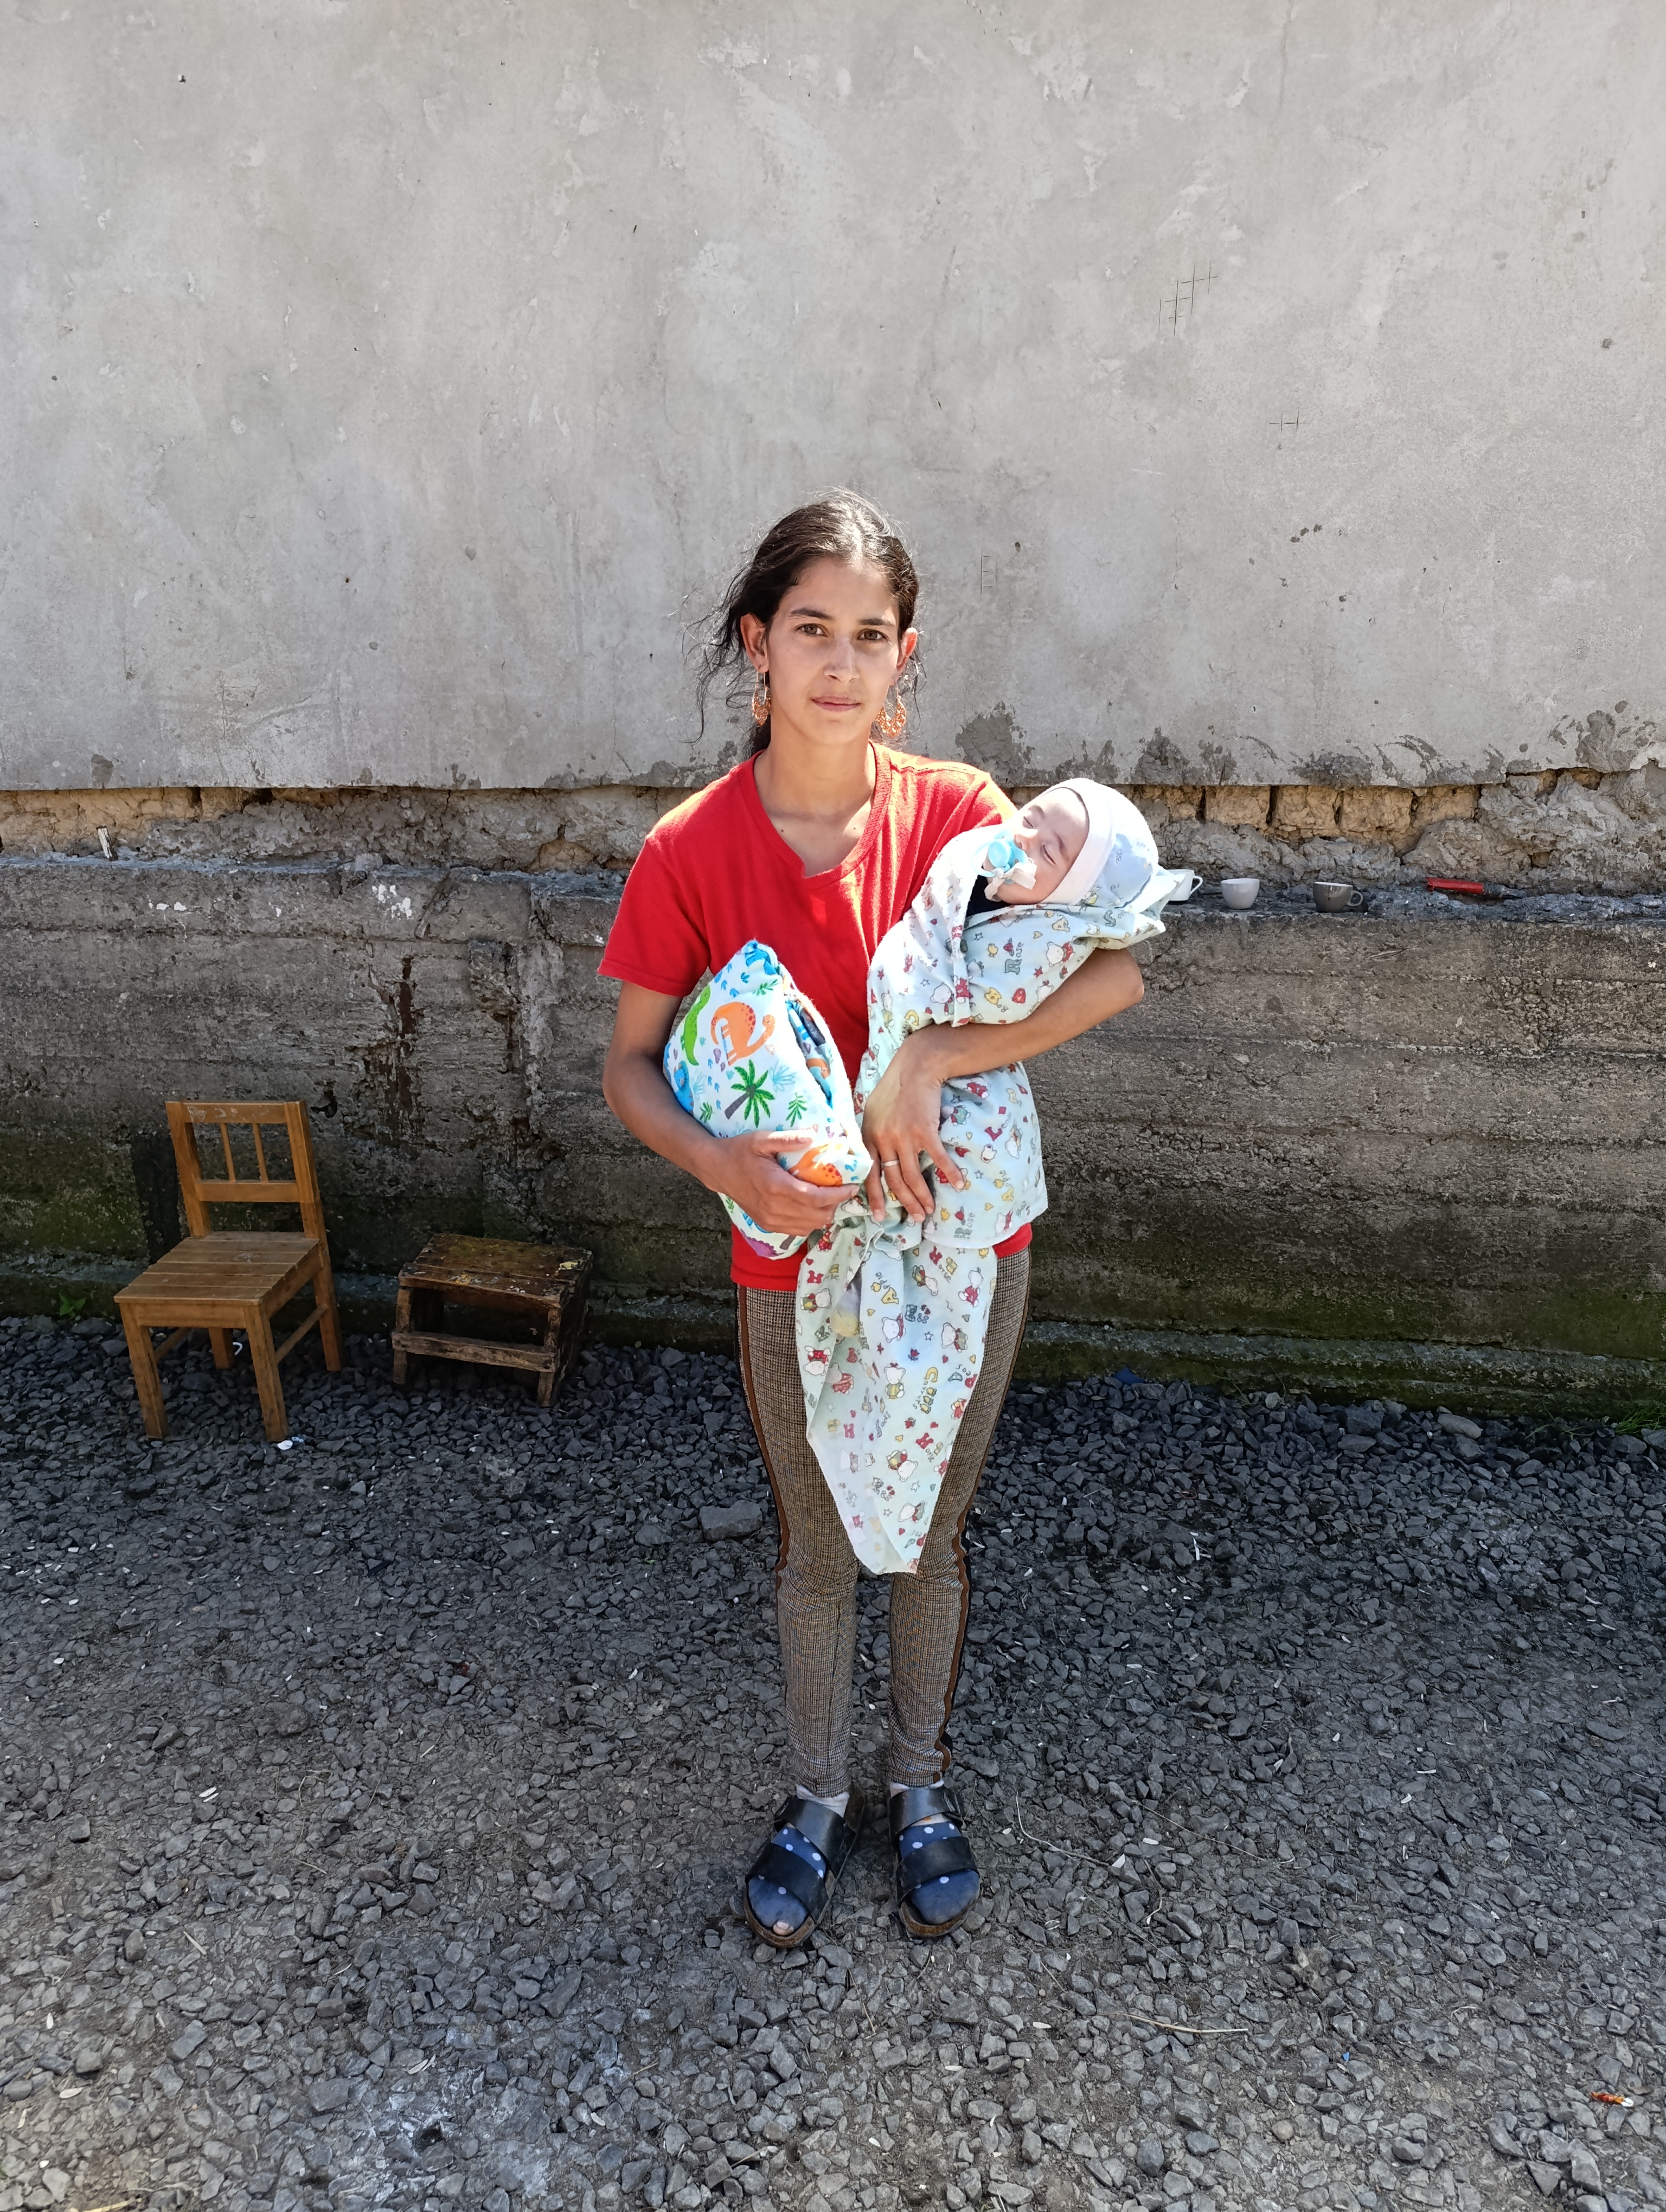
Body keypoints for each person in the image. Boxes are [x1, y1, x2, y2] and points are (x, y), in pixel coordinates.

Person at [599, 492, 1146, 1945]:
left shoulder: (961, 815)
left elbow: (1113, 972)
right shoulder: (689, 851)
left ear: (906, 653)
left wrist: (931, 1058)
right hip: (789, 1254)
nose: (840, 664)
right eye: (811, 630)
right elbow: (630, 1067)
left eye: (871, 634)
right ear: (756, 645)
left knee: (931, 1534)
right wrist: (728, 1169)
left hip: (963, 1250)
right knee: (817, 1543)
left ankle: (919, 1785)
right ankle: (815, 1794)